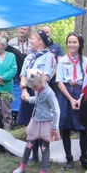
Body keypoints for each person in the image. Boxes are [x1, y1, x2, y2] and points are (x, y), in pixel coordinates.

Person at [12, 69, 60, 173]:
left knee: (44, 147)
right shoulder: (38, 90)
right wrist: (29, 99)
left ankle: (43, 172)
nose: (33, 89)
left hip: (46, 122)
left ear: (40, 82)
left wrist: (55, 127)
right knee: (29, 143)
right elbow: (38, 100)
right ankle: (22, 166)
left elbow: (56, 109)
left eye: (34, 87)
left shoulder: (49, 93)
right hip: (36, 120)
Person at [15, 30, 55, 161]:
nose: (30, 41)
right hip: (28, 92)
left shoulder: (49, 57)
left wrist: (35, 86)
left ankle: (44, 155)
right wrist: (24, 91)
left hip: (41, 92)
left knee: (41, 122)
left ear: (40, 41)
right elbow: (22, 75)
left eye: (33, 38)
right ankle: (34, 154)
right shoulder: (29, 57)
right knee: (30, 122)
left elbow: (47, 76)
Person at [56, 32, 87, 170]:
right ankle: (69, 159)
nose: (71, 45)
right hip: (66, 94)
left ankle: (84, 156)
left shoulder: (86, 61)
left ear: (80, 44)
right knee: (65, 128)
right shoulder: (62, 60)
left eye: (74, 42)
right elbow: (59, 81)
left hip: (81, 93)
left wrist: (80, 99)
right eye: (69, 42)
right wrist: (71, 99)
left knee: (83, 128)